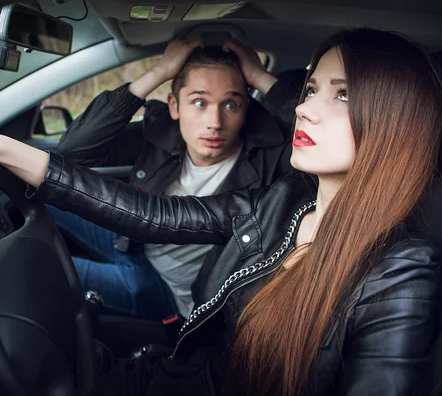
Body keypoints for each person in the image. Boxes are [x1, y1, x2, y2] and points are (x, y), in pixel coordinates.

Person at [0, 28, 442, 396]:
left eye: (342, 95)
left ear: (393, 121)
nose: (304, 106)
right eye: (309, 89)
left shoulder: (400, 270)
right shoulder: (283, 203)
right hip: (171, 373)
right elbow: (148, 214)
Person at [49, 35, 303, 320]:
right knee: (39, 192)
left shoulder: (274, 157)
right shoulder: (161, 136)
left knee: (41, 265)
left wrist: (259, 76)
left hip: (165, 289)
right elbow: (71, 152)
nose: (215, 122)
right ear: (174, 105)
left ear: (246, 108)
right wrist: (159, 72)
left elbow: (334, 138)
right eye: (199, 103)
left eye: (230, 105)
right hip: (131, 241)